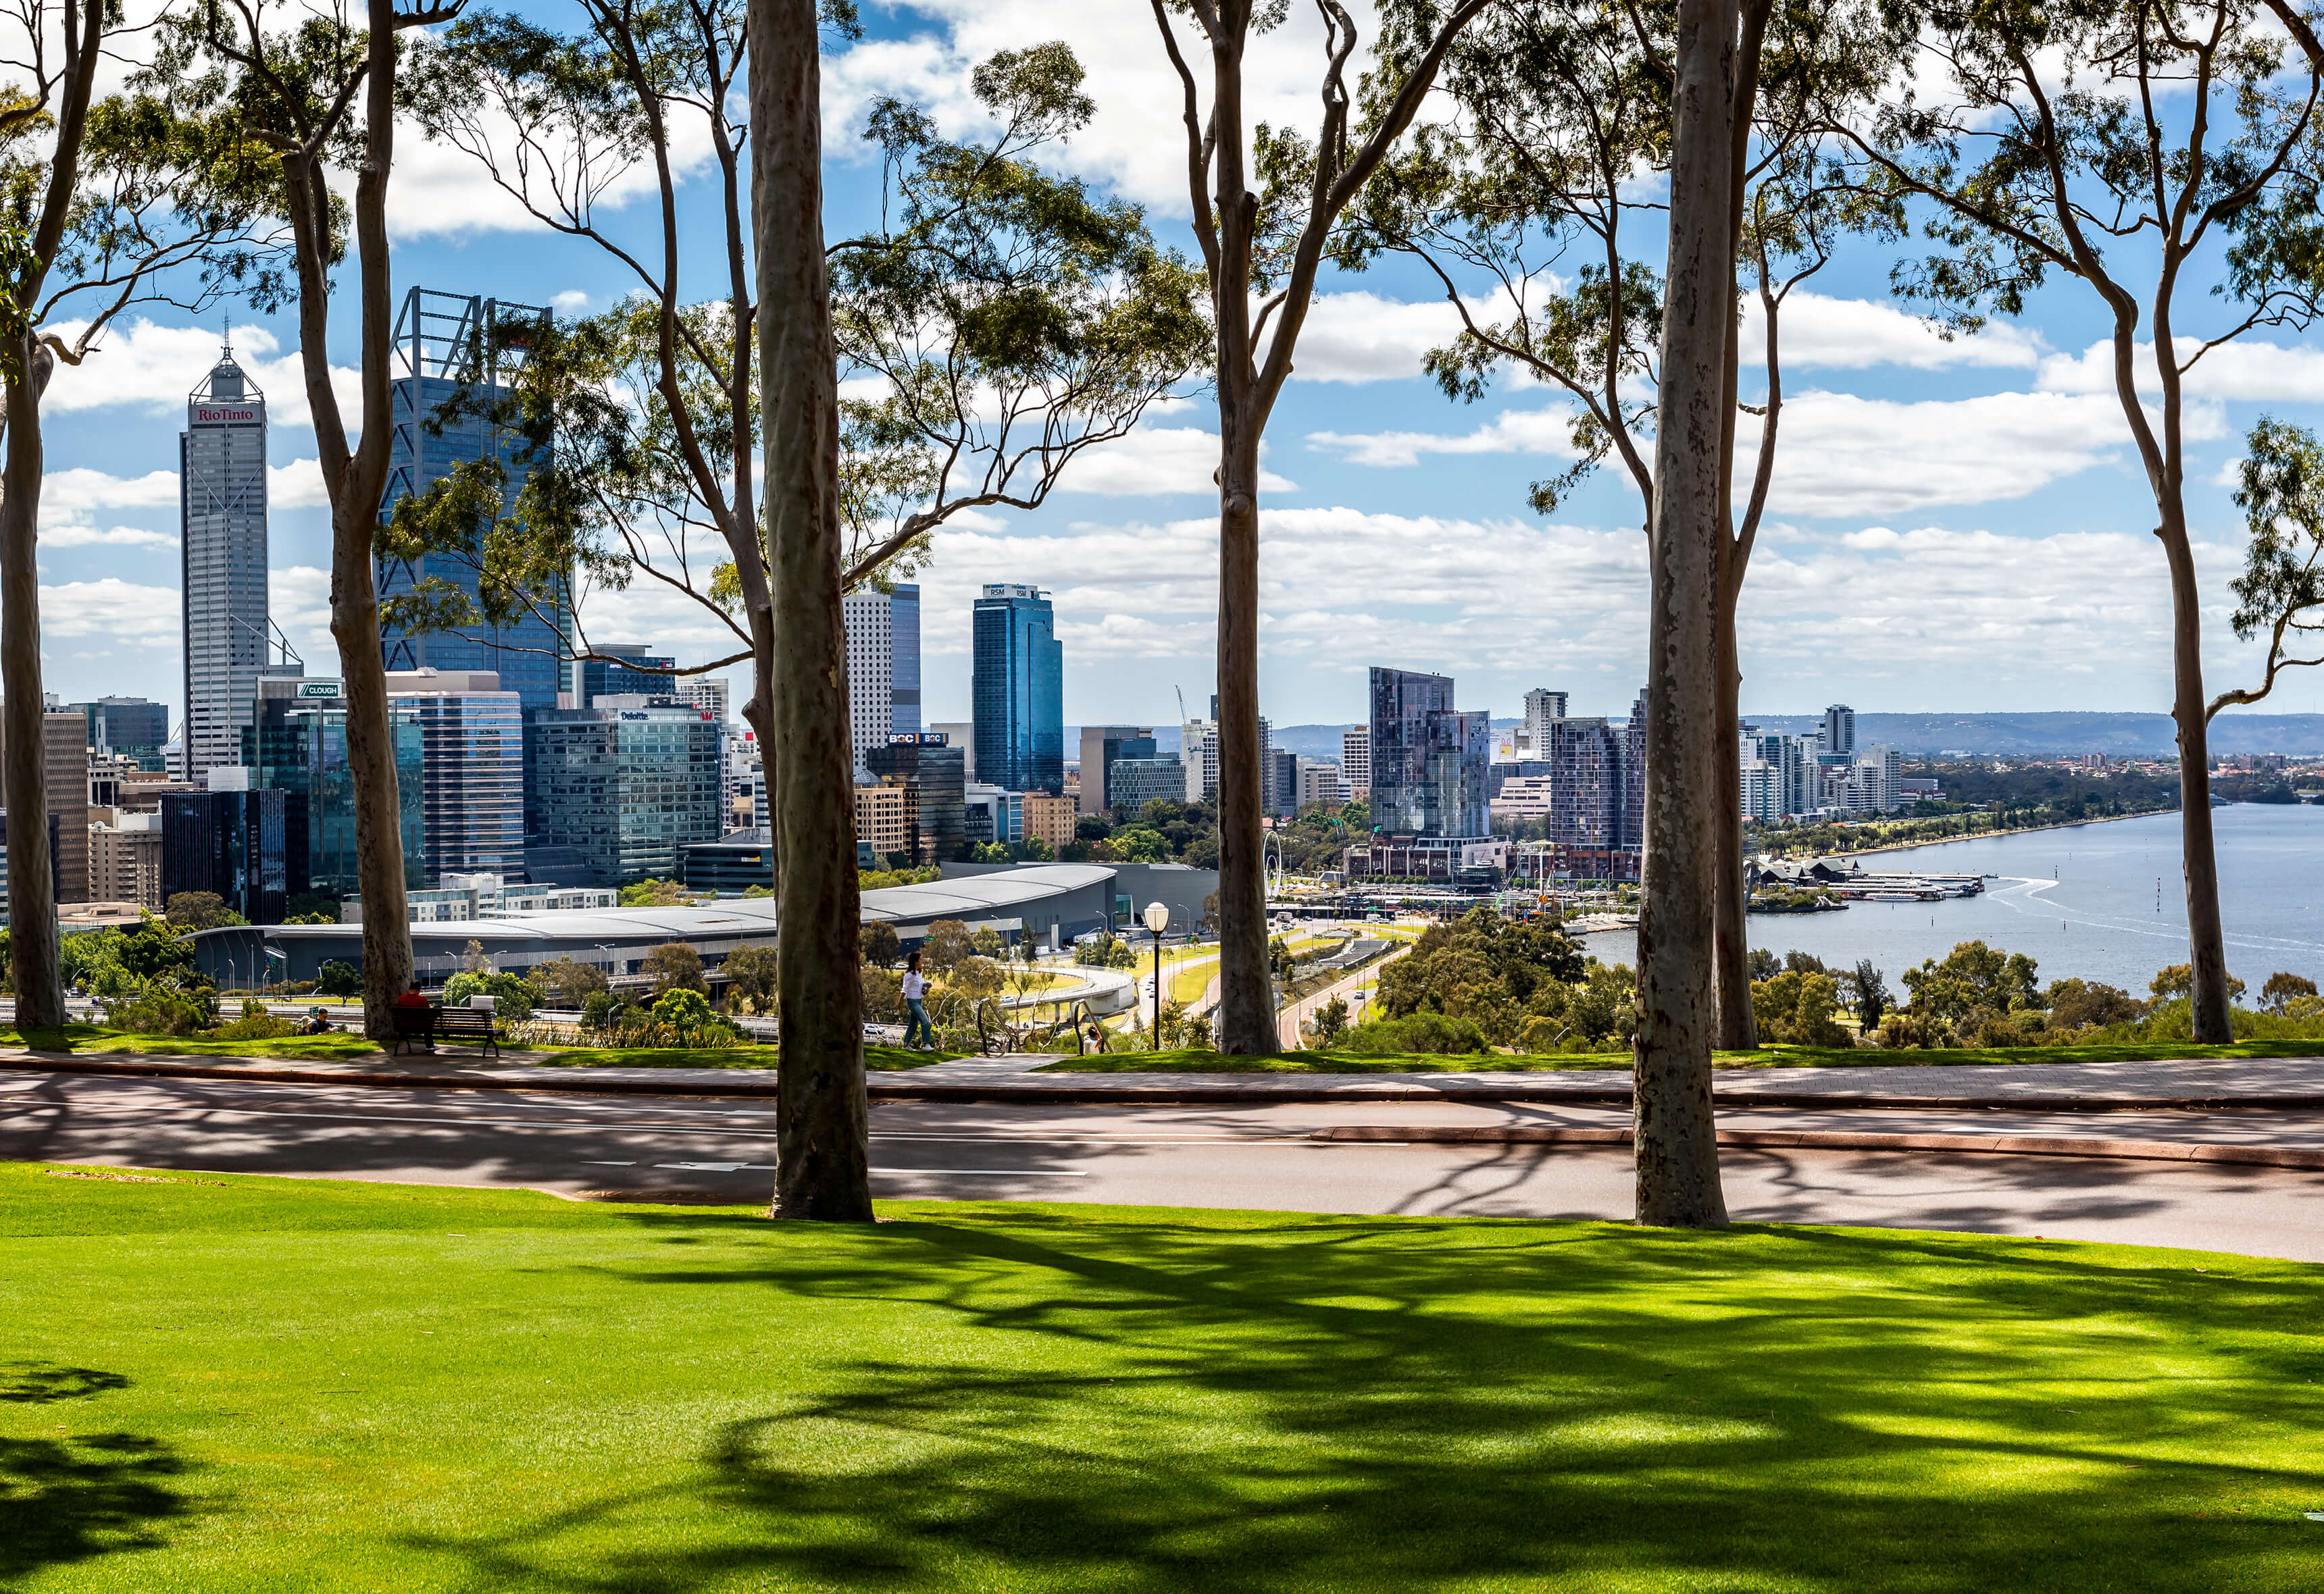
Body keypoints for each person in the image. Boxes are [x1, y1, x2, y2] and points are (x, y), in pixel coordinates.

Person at [901, 952, 933, 1050]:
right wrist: (898, 1005)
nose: (922, 961)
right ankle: (926, 1044)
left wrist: (927, 990)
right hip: (912, 1001)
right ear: (915, 962)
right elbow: (904, 990)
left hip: (919, 1000)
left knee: (913, 1025)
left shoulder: (919, 973)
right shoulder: (909, 975)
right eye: (921, 960)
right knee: (925, 1021)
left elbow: (920, 988)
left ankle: (905, 1045)